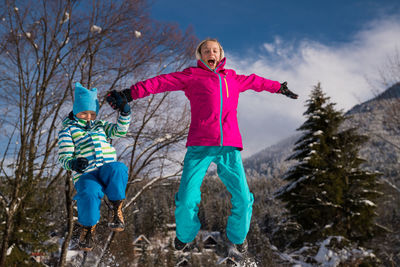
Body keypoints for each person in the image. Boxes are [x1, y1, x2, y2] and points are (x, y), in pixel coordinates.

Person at [106, 38, 298, 254]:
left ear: (220, 55)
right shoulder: (192, 76)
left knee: (244, 199)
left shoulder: (233, 78)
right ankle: (185, 236)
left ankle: (238, 236)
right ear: (201, 56)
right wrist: (130, 94)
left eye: (215, 50)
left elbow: (256, 81)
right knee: (187, 198)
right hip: (200, 145)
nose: (211, 53)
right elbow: (161, 82)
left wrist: (279, 87)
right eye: (206, 50)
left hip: (229, 147)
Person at [58, 82, 131, 251]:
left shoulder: (101, 126)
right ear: (76, 111)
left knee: (118, 168)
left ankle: (116, 209)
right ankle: (88, 228)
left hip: (106, 169)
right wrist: (73, 163)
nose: (89, 117)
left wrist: (125, 112)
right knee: (89, 193)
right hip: (87, 174)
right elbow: (64, 156)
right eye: (84, 113)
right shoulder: (68, 130)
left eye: (92, 113)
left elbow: (120, 131)